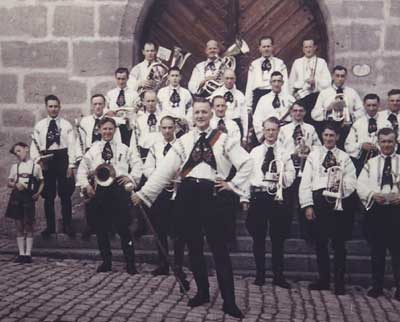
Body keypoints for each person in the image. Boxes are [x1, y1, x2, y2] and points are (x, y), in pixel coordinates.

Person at [132, 98, 252, 318]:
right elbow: (164, 171)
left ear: (211, 114)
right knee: (194, 248)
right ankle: (203, 293)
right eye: (197, 112)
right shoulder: (184, 141)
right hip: (188, 197)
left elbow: (247, 163)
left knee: (220, 251)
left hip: (214, 198)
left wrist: (232, 185)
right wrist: (144, 194)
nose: (200, 116)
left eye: (204, 112)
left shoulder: (224, 140)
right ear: (192, 115)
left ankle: (229, 302)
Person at [77, 117, 142, 274]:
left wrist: (131, 177)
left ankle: (130, 263)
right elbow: (81, 170)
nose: (107, 132)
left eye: (110, 129)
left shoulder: (124, 148)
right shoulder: (93, 150)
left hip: (118, 190)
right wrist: (86, 185)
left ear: (115, 130)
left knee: (123, 228)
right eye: (104, 129)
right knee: (101, 229)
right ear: (99, 130)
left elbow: (138, 164)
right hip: (100, 192)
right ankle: (106, 261)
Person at [299, 123, 357, 295]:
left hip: (338, 201)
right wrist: (308, 205)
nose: (329, 138)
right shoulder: (314, 155)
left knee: (339, 245)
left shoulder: (345, 157)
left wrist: (339, 187)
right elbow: (306, 183)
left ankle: (339, 283)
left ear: (338, 137)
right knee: (321, 243)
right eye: (326, 135)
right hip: (319, 202)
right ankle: (323, 280)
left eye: (332, 135)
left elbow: (352, 180)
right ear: (322, 136)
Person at [246, 117, 296, 287]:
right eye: (268, 130)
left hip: (277, 196)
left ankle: (278, 276)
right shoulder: (255, 152)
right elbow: (248, 176)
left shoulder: (284, 152)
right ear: (263, 130)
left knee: (278, 239)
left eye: (274, 130)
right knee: (258, 238)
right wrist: (244, 198)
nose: (270, 133)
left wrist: (279, 177)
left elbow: (291, 176)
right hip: (259, 197)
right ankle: (260, 274)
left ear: (278, 131)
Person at [143, 115, 189, 290]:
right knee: (159, 230)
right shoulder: (155, 147)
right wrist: (160, 177)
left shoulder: (182, 147)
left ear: (175, 129)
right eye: (164, 128)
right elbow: (147, 168)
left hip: (177, 192)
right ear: (160, 129)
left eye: (171, 128)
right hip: (160, 193)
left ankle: (177, 265)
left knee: (178, 231)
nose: (168, 131)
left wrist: (176, 178)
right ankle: (163, 264)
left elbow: (186, 167)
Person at [357, 127, 400, 300]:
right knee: (377, 251)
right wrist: (372, 194)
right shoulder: (371, 163)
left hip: (397, 211)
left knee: (398, 252)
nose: (387, 144)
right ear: (379, 142)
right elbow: (360, 184)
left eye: (390, 141)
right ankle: (377, 286)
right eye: (383, 141)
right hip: (378, 211)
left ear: (395, 141)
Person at [75, 94, 122, 240]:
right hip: (93, 156)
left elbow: (118, 145)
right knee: (92, 199)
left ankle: (111, 227)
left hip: (108, 164)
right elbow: (80, 141)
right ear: (91, 105)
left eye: (100, 104)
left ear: (104, 105)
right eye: (95, 104)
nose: (97, 107)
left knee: (111, 202)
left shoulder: (112, 124)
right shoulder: (85, 122)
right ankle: (92, 226)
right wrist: (79, 159)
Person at [31, 95, 76, 239]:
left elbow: (72, 146)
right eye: (50, 106)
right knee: (48, 195)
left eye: (56, 106)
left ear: (60, 107)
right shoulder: (40, 126)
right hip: (46, 160)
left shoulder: (66, 125)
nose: (53, 109)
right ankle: (50, 227)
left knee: (65, 194)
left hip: (63, 158)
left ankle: (68, 226)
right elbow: (34, 146)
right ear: (46, 107)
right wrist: (38, 160)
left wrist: (71, 165)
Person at [277, 102, 321, 238]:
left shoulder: (310, 129)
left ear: (305, 112)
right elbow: (279, 148)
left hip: (306, 167)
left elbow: (319, 147)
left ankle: (307, 233)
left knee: (305, 199)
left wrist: (309, 149)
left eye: (300, 110)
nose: (297, 113)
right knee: (288, 201)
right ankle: (285, 232)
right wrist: (293, 152)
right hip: (290, 167)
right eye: (295, 111)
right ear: (290, 112)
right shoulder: (284, 130)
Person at [5, 142, 44, 263]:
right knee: (19, 225)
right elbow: (9, 182)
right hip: (16, 198)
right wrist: (15, 184)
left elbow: (42, 181)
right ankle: (21, 253)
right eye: (15, 152)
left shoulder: (35, 167)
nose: (17, 154)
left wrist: (38, 193)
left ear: (26, 149)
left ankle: (28, 254)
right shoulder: (15, 167)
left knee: (29, 225)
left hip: (28, 198)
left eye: (19, 150)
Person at [345, 94, 392, 175]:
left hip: (382, 160)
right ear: (364, 105)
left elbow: (393, 143)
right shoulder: (357, 123)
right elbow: (348, 145)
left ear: (379, 105)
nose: (371, 108)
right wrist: (361, 146)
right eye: (368, 105)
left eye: (374, 105)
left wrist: (378, 148)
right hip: (361, 161)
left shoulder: (386, 123)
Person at [289, 38, 331, 124]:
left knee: (314, 122)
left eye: (310, 47)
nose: (308, 49)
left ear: (315, 47)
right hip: (300, 97)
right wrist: (290, 98)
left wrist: (315, 82)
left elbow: (328, 82)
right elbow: (291, 82)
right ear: (303, 48)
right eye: (306, 47)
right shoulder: (297, 62)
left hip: (315, 97)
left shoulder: (321, 62)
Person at [245, 36, 288, 113]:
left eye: (268, 46)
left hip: (275, 95)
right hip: (258, 95)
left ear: (273, 47)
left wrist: (285, 100)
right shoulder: (254, 64)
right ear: (260, 48)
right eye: (264, 46)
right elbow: (249, 86)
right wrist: (248, 106)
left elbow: (285, 85)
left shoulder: (280, 63)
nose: (266, 49)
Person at [253, 71, 295, 143]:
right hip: (269, 134)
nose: (276, 84)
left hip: (286, 135)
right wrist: (264, 134)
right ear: (270, 82)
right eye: (274, 81)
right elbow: (257, 119)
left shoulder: (290, 99)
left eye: (279, 81)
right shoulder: (263, 99)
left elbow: (295, 119)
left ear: (283, 83)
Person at [211, 69, 248, 143]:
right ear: (222, 79)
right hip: (219, 125)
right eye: (227, 78)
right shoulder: (216, 93)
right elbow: (212, 114)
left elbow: (244, 117)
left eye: (231, 78)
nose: (229, 81)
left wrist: (244, 136)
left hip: (236, 126)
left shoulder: (240, 95)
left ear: (235, 79)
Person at [106, 67, 140, 146]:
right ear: (115, 78)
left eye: (123, 79)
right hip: (114, 127)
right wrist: (108, 112)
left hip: (128, 127)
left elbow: (137, 111)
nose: (121, 82)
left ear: (127, 78)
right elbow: (105, 109)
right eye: (119, 79)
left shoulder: (134, 94)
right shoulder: (110, 94)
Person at [132, 90, 162, 160]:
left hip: (160, 151)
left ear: (157, 101)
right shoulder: (139, 119)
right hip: (144, 152)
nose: (150, 103)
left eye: (153, 101)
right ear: (143, 102)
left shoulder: (162, 117)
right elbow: (135, 139)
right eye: (148, 101)